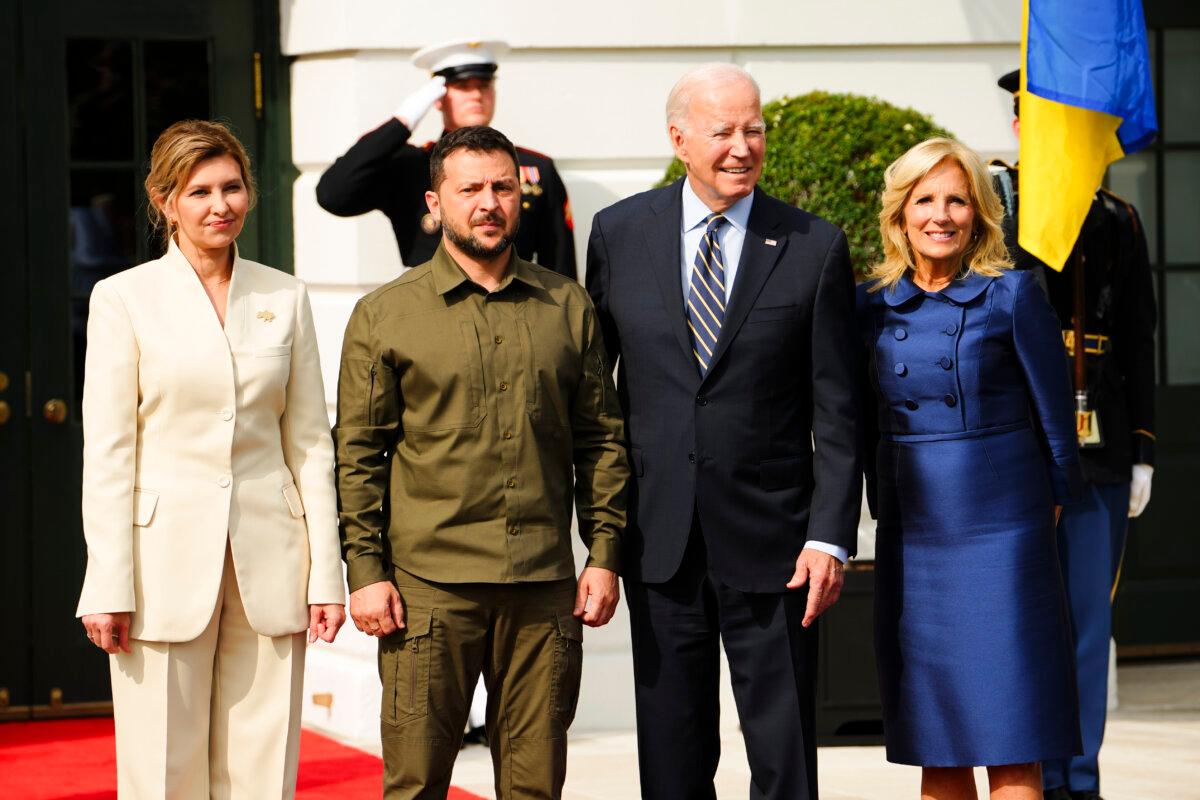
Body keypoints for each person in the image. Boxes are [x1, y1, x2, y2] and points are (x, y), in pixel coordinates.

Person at [585, 63, 860, 800]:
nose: (743, 146)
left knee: (783, 756)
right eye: (723, 131)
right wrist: (600, 536)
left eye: (755, 129)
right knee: (671, 757)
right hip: (659, 536)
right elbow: (596, 402)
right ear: (678, 139)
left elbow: (839, 407)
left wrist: (830, 535)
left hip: (778, 547)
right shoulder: (618, 235)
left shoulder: (813, 246)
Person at [334, 124, 628, 800]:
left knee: (535, 788)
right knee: (416, 785)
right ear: (435, 203)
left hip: (543, 589)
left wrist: (605, 554)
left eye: (502, 186)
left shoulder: (567, 306)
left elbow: (602, 441)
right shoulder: (384, 315)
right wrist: (366, 572)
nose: (489, 202)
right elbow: (358, 454)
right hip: (427, 594)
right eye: (469, 189)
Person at [76, 119, 346, 798]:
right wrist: (107, 582)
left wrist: (326, 574)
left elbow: (310, 442)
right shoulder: (123, 299)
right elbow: (109, 453)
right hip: (156, 567)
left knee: (262, 768)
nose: (219, 205)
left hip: (272, 559)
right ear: (164, 201)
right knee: (161, 769)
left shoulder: (285, 296)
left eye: (231, 187)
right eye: (198, 191)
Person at [858, 137, 1083, 800]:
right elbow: (857, 415)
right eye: (925, 200)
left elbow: (1054, 415)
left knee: (1013, 737)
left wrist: (1056, 502)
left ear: (980, 215)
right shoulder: (870, 304)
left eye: (958, 200)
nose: (942, 215)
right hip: (918, 534)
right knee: (939, 741)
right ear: (900, 215)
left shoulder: (1011, 295)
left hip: (1006, 535)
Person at [993, 68, 1158, 800]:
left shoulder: (1117, 218)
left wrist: (1146, 450)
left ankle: (1077, 779)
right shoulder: (994, 205)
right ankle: (1028, 772)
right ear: (1020, 128)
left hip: (1100, 444)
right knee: (1025, 624)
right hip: (1012, 445)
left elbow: (1138, 341)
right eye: (1042, 119)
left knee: (1087, 626)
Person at [317, 39, 577, 279]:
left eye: (484, 85)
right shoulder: (412, 165)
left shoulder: (535, 168)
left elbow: (559, 264)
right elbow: (333, 193)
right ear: (438, 97)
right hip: (430, 311)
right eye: (463, 86)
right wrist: (404, 120)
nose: (476, 95)